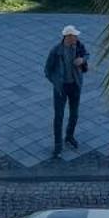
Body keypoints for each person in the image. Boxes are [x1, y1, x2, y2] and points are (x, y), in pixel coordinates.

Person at [43, 25, 89, 154]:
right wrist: (56, 82)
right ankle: (58, 144)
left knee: (74, 114)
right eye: (74, 36)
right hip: (61, 88)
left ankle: (69, 136)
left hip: (75, 85)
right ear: (67, 37)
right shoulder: (56, 51)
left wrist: (82, 59)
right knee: (59, 116)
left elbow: (87, 54)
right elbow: (47, 70)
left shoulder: (79, 46)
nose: (76, 38)